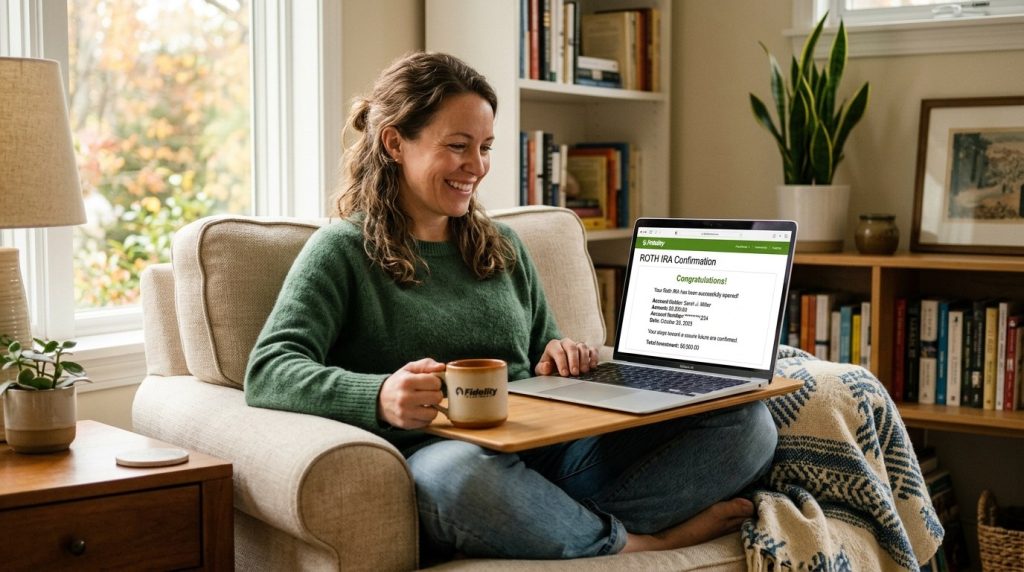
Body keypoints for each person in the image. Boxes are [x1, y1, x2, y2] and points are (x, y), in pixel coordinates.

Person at [245, 51, 777, 562]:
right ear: (394, 143)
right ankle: (639, 544)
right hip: (453, 461)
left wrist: (562, 354)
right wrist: (379, 394)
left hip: (551, 452)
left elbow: (543, 349)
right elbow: (269, 371)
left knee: (748, 424)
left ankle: (548, 526)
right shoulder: (342, 250)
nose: (475, 166)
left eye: (486, 147)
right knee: (452, 478)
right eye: (458, 145)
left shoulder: (502, 245)